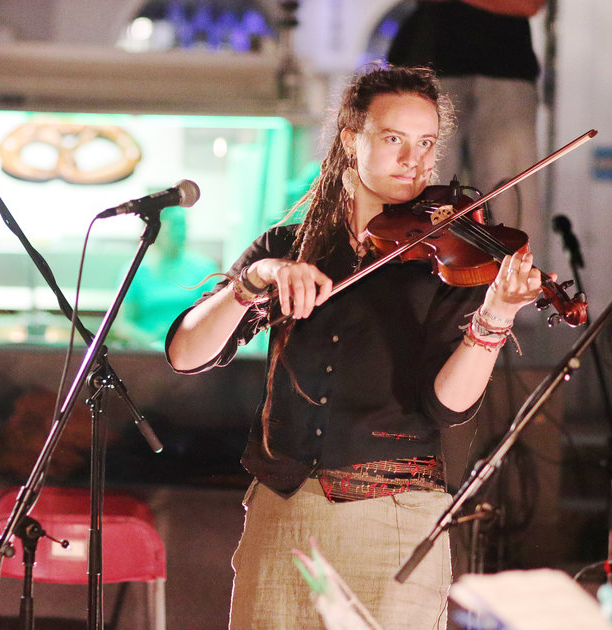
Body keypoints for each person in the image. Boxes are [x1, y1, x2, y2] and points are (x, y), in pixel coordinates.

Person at [165, 66, 546, 629]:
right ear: (351, 140)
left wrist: (495, 317)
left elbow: (449, 406)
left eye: (426, 144)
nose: (413, 161)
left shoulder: (448, 260)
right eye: (394, 139)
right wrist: (255, 279)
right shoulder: (288, 247)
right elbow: (185, 354)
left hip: (391, 523)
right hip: (280, 514)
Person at [387, 0, 547, 256]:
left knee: (510, 203)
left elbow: (529, 4)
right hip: (429, 63)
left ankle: (517, 276)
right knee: (424, 198)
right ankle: (417, 275)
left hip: (505, 71)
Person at [115, 205, 218, 348]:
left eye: (183, 224)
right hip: (150, 352)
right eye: (175, 224)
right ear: (156, 228)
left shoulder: (205, 268)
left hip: (193, 348)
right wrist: (149, 340)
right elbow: (123, 324)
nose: (181, 231)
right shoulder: (135, 271)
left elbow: (216, 318)